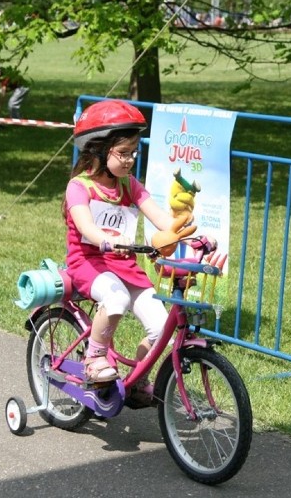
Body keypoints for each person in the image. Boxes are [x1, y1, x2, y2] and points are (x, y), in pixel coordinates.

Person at [64, 99, 178, 406]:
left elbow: (160, 217)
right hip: (89, 262)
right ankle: (94, 358)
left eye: (134, 152)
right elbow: (85, 226)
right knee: (116, 299)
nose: (130, 159)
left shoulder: (130, 185)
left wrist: (185, 232)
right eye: (123, 152)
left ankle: (138, 376)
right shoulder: (80, 186)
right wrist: (103, 238)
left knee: (160, 325)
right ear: (98, 151)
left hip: (124, 265)